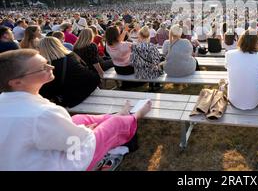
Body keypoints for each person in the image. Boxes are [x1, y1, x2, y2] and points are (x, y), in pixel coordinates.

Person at [0, 49, 152, 171]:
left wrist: (81, 129)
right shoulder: (42, 114)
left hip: (30, 158)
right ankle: (136, 115)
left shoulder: (8, 101)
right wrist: (86, 131)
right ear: (17, 82)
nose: (51, 67)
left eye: (47, 63)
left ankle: (120, 115)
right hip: (63, 164)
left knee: (80, 118)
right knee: (116, 123)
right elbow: (78, 142)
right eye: (42, 68)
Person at [38, 37, 100, 107]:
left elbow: (45, 90)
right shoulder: (70, 56)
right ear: (59, 45)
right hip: (84, 88)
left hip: (67, 97)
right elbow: (85, 73)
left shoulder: (46, 65)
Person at [225, 29, 258, 110]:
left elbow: (228, 68)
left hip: (234, 100)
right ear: (256, 43)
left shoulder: (229, 54)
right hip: (255, 101)